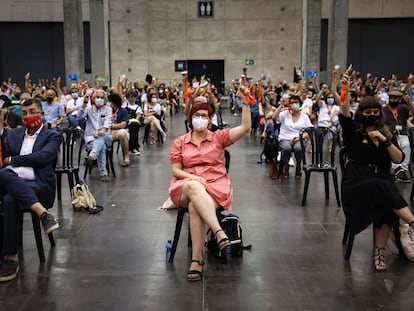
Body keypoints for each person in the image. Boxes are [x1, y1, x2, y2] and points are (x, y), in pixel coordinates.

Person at [168, 88, 251, 282]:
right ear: (190, 118)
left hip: (216, 186)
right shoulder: (180, 142)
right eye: (197, 115)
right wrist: (195, 178)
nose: (200, 118)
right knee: (194, 187)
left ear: (210, 119)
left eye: (204, 116)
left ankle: (197, 261)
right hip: (185, 186)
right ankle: (219, 232)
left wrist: (245, 102)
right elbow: (176, 171)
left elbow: (245, 127)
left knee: (194, 207)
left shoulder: (219, 138)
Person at [340, 75, 414, 272]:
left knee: (384, 199)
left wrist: (384, 140)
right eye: (367, 111)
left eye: (375, 111)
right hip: (356, 183)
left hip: (380, 182)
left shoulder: (386, 132)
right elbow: (345, 113)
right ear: (361, 113)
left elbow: (398, 160)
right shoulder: (353, 131)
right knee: (383, 187)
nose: (371, 114)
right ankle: (411, 221)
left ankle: (379, 252)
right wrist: (344, 90)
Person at [0, 98, 60, 282]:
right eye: (24, 113)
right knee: (4, 176)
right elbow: (4, 160)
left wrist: (14, 160)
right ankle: (42, 214)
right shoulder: (13, 135)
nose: (28, 116)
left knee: (11, 199)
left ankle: (10, 258)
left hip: (38, 184)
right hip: (12, 179)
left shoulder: (53, 135)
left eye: (32, 112)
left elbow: (44, 157)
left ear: (41, 114)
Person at [271, 95, 313, 179]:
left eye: (296, 102)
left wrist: (300, 138)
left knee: (298, 148)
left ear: (300, 104)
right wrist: (280, 106)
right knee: (286, 148)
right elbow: (274, 118)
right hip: (285, 138)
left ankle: (298, 167)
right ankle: (285, 167)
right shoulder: (284, 114)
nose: (294, 104)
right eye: (292, 102)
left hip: (298, 139)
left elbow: (309, 130)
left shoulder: (304, 117)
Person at [79, 89, 112, 182]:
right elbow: (80, 116)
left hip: (106, 137)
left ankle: (92, 156)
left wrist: (104, 129)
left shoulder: (108, 109)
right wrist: (85, 103)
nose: (99, 99)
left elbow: (108, 121)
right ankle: (103, 173)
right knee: (101, 146)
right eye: (97, 97)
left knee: (102, 138)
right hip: (91, 138)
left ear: (105, 100)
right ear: (93, 98)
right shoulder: (89, 109)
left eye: (102, 97)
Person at [382, 90, 414, 183]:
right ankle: (397, 169)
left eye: (395, 98)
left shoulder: (403, 108)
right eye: (391, 98)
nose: (392, 100)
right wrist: (388, 132)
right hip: (390, 135)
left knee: (407, 144)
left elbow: (413, 114)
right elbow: (381, 124)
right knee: (393, 146)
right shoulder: (384, 109)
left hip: (402, 134)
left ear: (399, 100)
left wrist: (409, 102)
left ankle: (402, 169)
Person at [108, 93, 130, 167]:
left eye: (110, 101)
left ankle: (126, 156)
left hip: (121, 130)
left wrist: (111, 126)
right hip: (108, 131)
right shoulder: (107, 111)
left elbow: (123, 125)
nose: (108, 103)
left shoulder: (123, 111)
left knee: (121, 134)